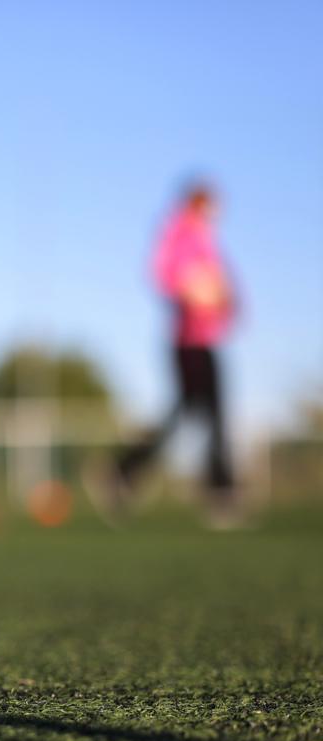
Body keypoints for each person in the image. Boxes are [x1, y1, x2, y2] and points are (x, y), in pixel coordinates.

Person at [87, 181, 241, 528]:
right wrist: (192, 290)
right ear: (198, 202)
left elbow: (226, 290)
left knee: (198, 413)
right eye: (213, 204)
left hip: (207, 338)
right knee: (203, 414)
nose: (218, 212)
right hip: (188, 340)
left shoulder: (206, 239)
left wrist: (226, 302)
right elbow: (163, 273)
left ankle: (125, 472)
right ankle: (221, 493)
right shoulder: (180, 230)